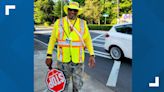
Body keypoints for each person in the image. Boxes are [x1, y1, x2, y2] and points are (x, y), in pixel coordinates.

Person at [45, 2, 95, 92]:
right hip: (63, 60)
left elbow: (88, 40)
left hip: (78, 60)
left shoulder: (83, 23)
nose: (72, 12)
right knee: (63, 85)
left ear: (77, 12)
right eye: (70, 9)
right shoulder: (59, 22)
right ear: (67, 10)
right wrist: (48, 56)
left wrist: (92, 55)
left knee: (77, 85)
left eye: (75, 10)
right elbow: (52, 40)